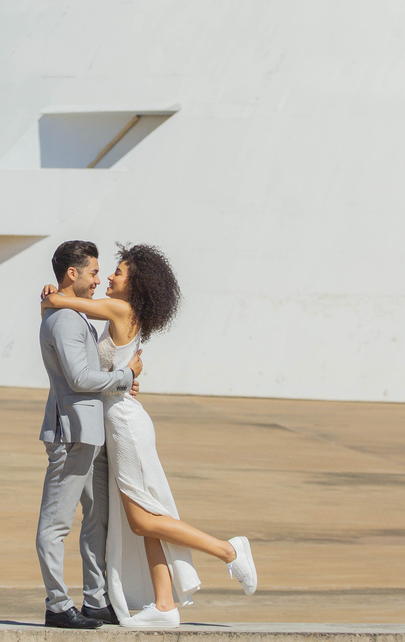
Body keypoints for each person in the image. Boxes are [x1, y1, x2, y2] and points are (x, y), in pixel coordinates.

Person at [40, 243, 257, 628]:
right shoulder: (118, 313)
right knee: (142, 515)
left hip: (123, 424)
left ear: (134, 284)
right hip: (115, 419)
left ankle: (227, 550)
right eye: (101, 271)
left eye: (117, 272)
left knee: (143, 518)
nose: (107, 277)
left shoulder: (119, 309)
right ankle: (163, 603)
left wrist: (51, 297)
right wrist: (125, 379)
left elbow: (67, 305)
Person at [35, 240, 143, 629]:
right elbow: (79, 377)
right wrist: (124, 376)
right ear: (72, 274)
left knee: (97, 518)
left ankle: (96, 600)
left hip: (90, 434)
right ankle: (57, 604)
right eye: (94, 272)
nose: (99, 279)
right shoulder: (63, 319)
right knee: (56, 523)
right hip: (71, 434)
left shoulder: (70, 311)